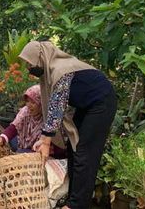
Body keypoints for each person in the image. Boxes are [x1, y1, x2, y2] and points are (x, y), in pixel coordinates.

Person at [19, 41, 117, 209]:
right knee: (74, 148)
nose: (29, 68)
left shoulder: (60, 70)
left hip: (102, 104)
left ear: (41, 58)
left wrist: (46, 142)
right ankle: (74, 197)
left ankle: (77, 204)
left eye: (30, 63)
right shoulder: (51, 71)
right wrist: (44, 140)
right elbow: (54, 110)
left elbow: (56, 109)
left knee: (85, 153)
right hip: (87, 106)